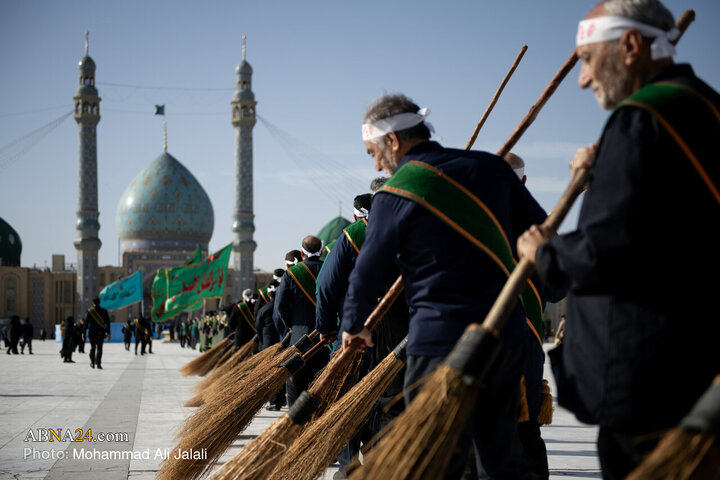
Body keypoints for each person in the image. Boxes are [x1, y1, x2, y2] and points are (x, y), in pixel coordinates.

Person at [516, 1, 720, 478]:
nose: (583, 80)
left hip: (649, 384)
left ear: (630, 46)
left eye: (587, 59)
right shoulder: (705, 108)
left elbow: (606, 251)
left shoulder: (642, 121)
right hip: (697, 366)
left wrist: (543, 252)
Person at [341, 93, 547, 479]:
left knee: (437, 461)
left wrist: (353, 326)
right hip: (503, 336)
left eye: (372, 152)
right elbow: (540, 234)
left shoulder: (393, 195)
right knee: (500, 457)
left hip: (438, 343)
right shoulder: (491, 168)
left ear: (393, 142)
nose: (375, 162)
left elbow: (365, 274)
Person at [274, 235, 329, 407]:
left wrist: (291, 324)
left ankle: (295, 425)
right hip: (326, 337)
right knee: (322, 382)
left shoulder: (291, 274)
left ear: (302, 253)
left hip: (299, 337)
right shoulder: (329, 267)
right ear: (321, 251)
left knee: (296, 384)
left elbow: (281, 305)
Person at [256, 280, 285, 411]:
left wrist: (263, 341)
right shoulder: (283, 306)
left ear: (268, 294)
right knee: (282, 370)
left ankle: (273, 401)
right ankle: (280, 400)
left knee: (270, 373)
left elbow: (258, 328)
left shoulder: (264, 309)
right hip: (282, 342)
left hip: (268, 345)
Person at [86, 298, 110, 369]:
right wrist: (108, 332)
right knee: (99, 348)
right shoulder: (104, 311)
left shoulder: (90, 311)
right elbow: (108, 323)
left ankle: (92, 362)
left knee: (93, 348)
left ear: (93, 303)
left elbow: (86, 323)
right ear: (99, 303)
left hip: (92, 333)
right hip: (101, 332)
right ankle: (98, 364)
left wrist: (83, 333)